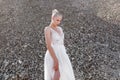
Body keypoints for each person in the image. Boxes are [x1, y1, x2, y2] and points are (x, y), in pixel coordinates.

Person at [44, 9, 75, 80]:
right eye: (57, 20)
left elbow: (62, 44)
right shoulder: (47, 29)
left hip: (62, 54)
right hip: (53, 54)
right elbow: (48, 45)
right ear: (52, 18)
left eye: (60, 20)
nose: (59, 22)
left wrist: (64, 54)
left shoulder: (60, 29)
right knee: (55, 75)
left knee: (66, 74)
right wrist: (55, 60)